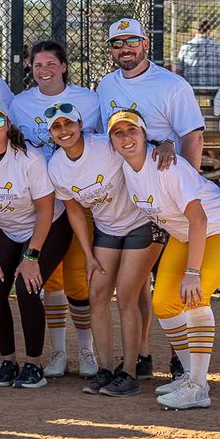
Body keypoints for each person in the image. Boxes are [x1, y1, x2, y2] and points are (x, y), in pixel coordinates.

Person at [108, 108, 220, 410]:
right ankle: (190, 376)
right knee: (163, 303)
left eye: (132, 130)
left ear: (144, 134)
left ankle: (199, 387)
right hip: (187, 234)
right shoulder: (126, 169)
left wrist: (192, 271)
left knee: (194, 296)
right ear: (112, 141)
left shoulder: (165, 166)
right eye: (118, 133)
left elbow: (198, 219)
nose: (126, 137)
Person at [47, 103, 173, 398]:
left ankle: (130, 372)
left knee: (127, 297)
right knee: (97, 295)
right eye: (57, 127)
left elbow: (138, 143)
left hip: (142, 224)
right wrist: (88, 254)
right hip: (106, 229)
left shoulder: (104, 146)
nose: (64, 131)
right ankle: (105, 369)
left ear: (80, 124)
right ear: (51, 134)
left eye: (69, 124)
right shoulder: (56, 167)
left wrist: (166, 143)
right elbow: (75, 212)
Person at [0, 100, 73, 389]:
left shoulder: (29, 158)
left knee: (26, 285)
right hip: (7, 229)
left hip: (49, 227)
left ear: (8, 126)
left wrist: (31, 257)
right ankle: (8, 360)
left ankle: (34, 364)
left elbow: (45, 210)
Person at [9, 40, 102, 379]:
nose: (44, 70)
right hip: (38, 201)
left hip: (76, 199)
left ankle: (88, 351)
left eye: (50, 63)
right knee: (51, 282)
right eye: (37, 65)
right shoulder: (19, 103)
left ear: (64, 65)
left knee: (78, 277)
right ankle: (59, 353)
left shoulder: (89, 101)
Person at [97, 18, 204, 167]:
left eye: (132, 41)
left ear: (145, 44)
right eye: (117, 43)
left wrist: (189, 182)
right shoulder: (105, 85)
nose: (125, 49)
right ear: (111, 48)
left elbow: (193, 137)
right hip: (121, 177)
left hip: (161, 176)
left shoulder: (173, 85)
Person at [174, 19, 220, 89]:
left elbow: (179, 70)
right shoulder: (218, 46)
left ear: (195, 31)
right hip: (215, 87)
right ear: (209, 31)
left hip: (191, 87)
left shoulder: (186, 46)